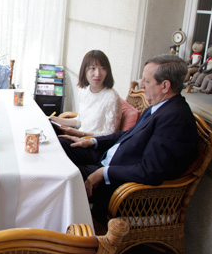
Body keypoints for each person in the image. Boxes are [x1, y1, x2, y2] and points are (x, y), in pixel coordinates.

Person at [59, 54, 198, 224]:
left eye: (146, 81)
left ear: (165, 86)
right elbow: (128, 134)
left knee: (62, 173)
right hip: (108, 158)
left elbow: (150, 171)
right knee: (60, 144)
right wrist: (92, 141)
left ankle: (58, 230)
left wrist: (104, 172)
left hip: (120, 184)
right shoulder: (159, 106)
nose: (141, 85)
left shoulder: (176, 119)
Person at [50, 50, 121, 137]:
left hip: (93, 145)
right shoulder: (83, 91)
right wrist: (56, 120)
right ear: (84, 71)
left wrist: (77, 133)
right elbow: (79, 121)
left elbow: (109, 135)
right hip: (78, 137)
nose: (97, 74)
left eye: (103, 68)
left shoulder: (112, 97)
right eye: (93, 68)